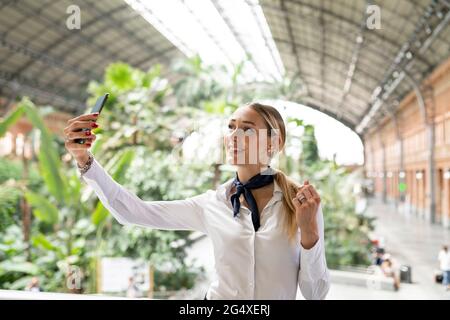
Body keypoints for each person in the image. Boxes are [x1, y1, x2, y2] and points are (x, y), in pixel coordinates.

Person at [63, 102, 330, 300]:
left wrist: (309, 233)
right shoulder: (212, 204)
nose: (234, 136)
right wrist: (84, 159)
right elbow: (134, 212)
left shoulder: (302, 205)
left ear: (274, 143)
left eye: (247, 130)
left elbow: (315, 293)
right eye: (231, 127)